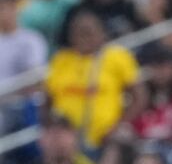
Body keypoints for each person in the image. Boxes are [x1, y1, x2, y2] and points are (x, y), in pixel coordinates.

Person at [45, 9, 141, 147]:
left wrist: (119, 125)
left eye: (88, 33)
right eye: (78, 33)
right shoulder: (61, 60)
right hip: (69, 143)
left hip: (106, 138)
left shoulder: (116, 56)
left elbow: (140, 96)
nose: (83, 38)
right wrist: (54, 131)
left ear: (102, 33)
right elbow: (47, 99)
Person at [0, 0, 47, 82]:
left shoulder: (32, 39)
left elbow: (35, 75)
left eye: (1, 9)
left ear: (14, 9)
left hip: (21, 94)